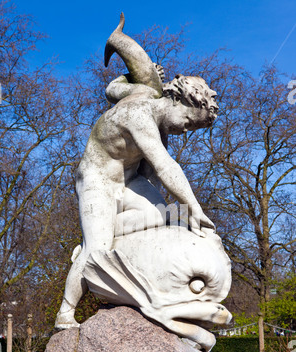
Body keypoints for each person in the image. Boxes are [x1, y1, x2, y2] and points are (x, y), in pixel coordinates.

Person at [55, 71, 219, 329]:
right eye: (188, 122)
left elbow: (112, 88)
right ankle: (65, 312)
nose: (184, 130)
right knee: (96, 250)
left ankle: (101, 233)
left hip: (128, 180)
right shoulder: (138, 114)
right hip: (98, 182)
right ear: (177, 100)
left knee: (166, 214)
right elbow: (164, 165)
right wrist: (194, 208)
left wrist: (129, 76)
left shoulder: (143, 93)